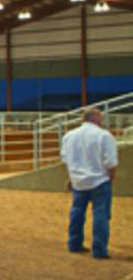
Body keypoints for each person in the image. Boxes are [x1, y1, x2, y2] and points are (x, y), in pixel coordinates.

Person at [61, 108, 118, 259]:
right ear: (95, 119)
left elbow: (67, 160)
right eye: (100, 119)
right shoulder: (104, 135)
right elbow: (111, 162)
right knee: (101, 214)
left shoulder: (69, 136)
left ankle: (74, 244)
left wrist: (71, 178)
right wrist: (111, 178)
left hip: (78, 181)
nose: (102, 121)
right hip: (99, 180)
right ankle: (99, 251)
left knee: (77, 212)